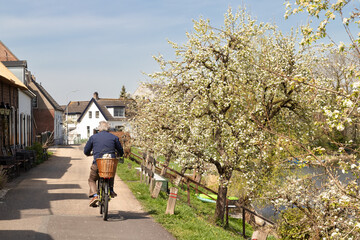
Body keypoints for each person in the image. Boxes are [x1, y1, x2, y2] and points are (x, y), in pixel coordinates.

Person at [84, 121, 124, 207]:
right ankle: (111, 189)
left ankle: (95, 196)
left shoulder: (93, 137)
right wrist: (120, 154)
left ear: (99, 129)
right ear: (108, 129)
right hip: (109, 163)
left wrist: (88, 154)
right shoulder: (114, 138)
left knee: (92, 180)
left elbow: (86, 151)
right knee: (110, 172)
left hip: (98, 163)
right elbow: (121, 150)